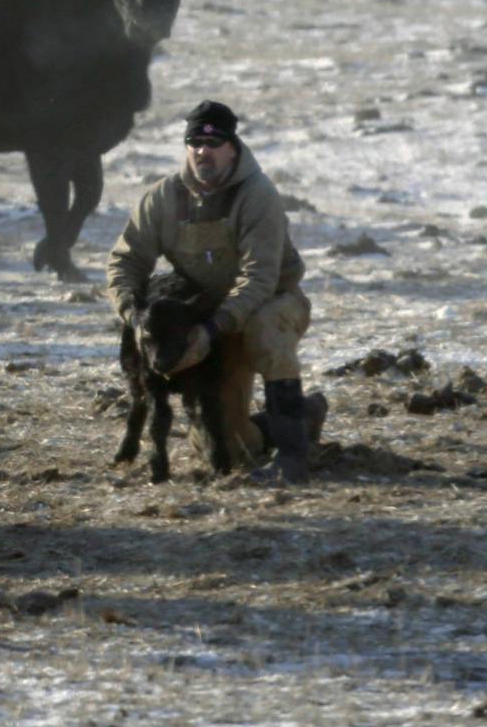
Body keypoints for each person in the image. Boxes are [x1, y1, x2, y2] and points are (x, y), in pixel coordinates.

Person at [106, 100, 324, 482]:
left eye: (214, 141)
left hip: (268, 304)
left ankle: (292, 455)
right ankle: (302, 417)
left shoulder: (257, 196)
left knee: (265, 327)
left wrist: (211, 331)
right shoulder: (164, 198)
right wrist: (134, 317)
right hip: (203, 320)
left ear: (232, 147)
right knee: (227, 449)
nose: (203, 151)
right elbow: (125, 263)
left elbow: (260, 278)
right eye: (195, 142)